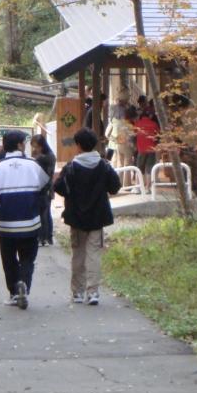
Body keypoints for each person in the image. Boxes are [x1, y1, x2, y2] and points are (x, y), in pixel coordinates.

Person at [0, 130, 48, 310]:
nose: (25, 145)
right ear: (19, 145)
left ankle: (14, 292)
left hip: (6, 225)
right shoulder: (33, 165)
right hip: (30, 223)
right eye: (24, 142)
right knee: (27, 258)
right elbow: (44, 183)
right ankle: (23, 282)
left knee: (9, 260)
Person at [54, 128, 121, 305]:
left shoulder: (71, 167)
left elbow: (58, 187)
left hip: (76, 217)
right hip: (97, 217)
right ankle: (93, 292)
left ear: (78, 145)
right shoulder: (104, 165)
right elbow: (115, 187)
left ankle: (77, 292)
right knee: (94, 255)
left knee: (78, 254)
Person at [29, 132, 57, 247]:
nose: (35, 149)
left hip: (44, 187)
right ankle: (48, 237)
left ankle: (43, 238)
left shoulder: (46, 157)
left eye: (36, 146)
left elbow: (46, 173)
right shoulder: (47, 155)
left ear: (41, 145)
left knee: (43, 213)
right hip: (45, 187)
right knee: (45, 212)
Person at [134, 98, 161, 179]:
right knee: (150, 167)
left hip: (141, 147)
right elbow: (158, 134)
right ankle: (149, 185)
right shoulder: (154, 123)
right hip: (151, 147)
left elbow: (134, 133)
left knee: (139, 167)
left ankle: (139, 184)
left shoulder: (137, 123)